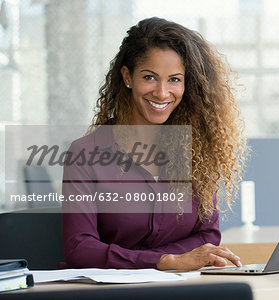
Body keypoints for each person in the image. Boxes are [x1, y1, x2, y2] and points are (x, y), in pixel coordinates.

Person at [61, 17, 247, 271]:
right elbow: (79, 248)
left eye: (174, 79)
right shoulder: (85, 154)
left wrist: (170, 262)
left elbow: (207, 235)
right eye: (150, 77)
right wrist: (165, 261)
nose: (162, 92)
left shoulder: (193, 150)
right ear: (127, 76)